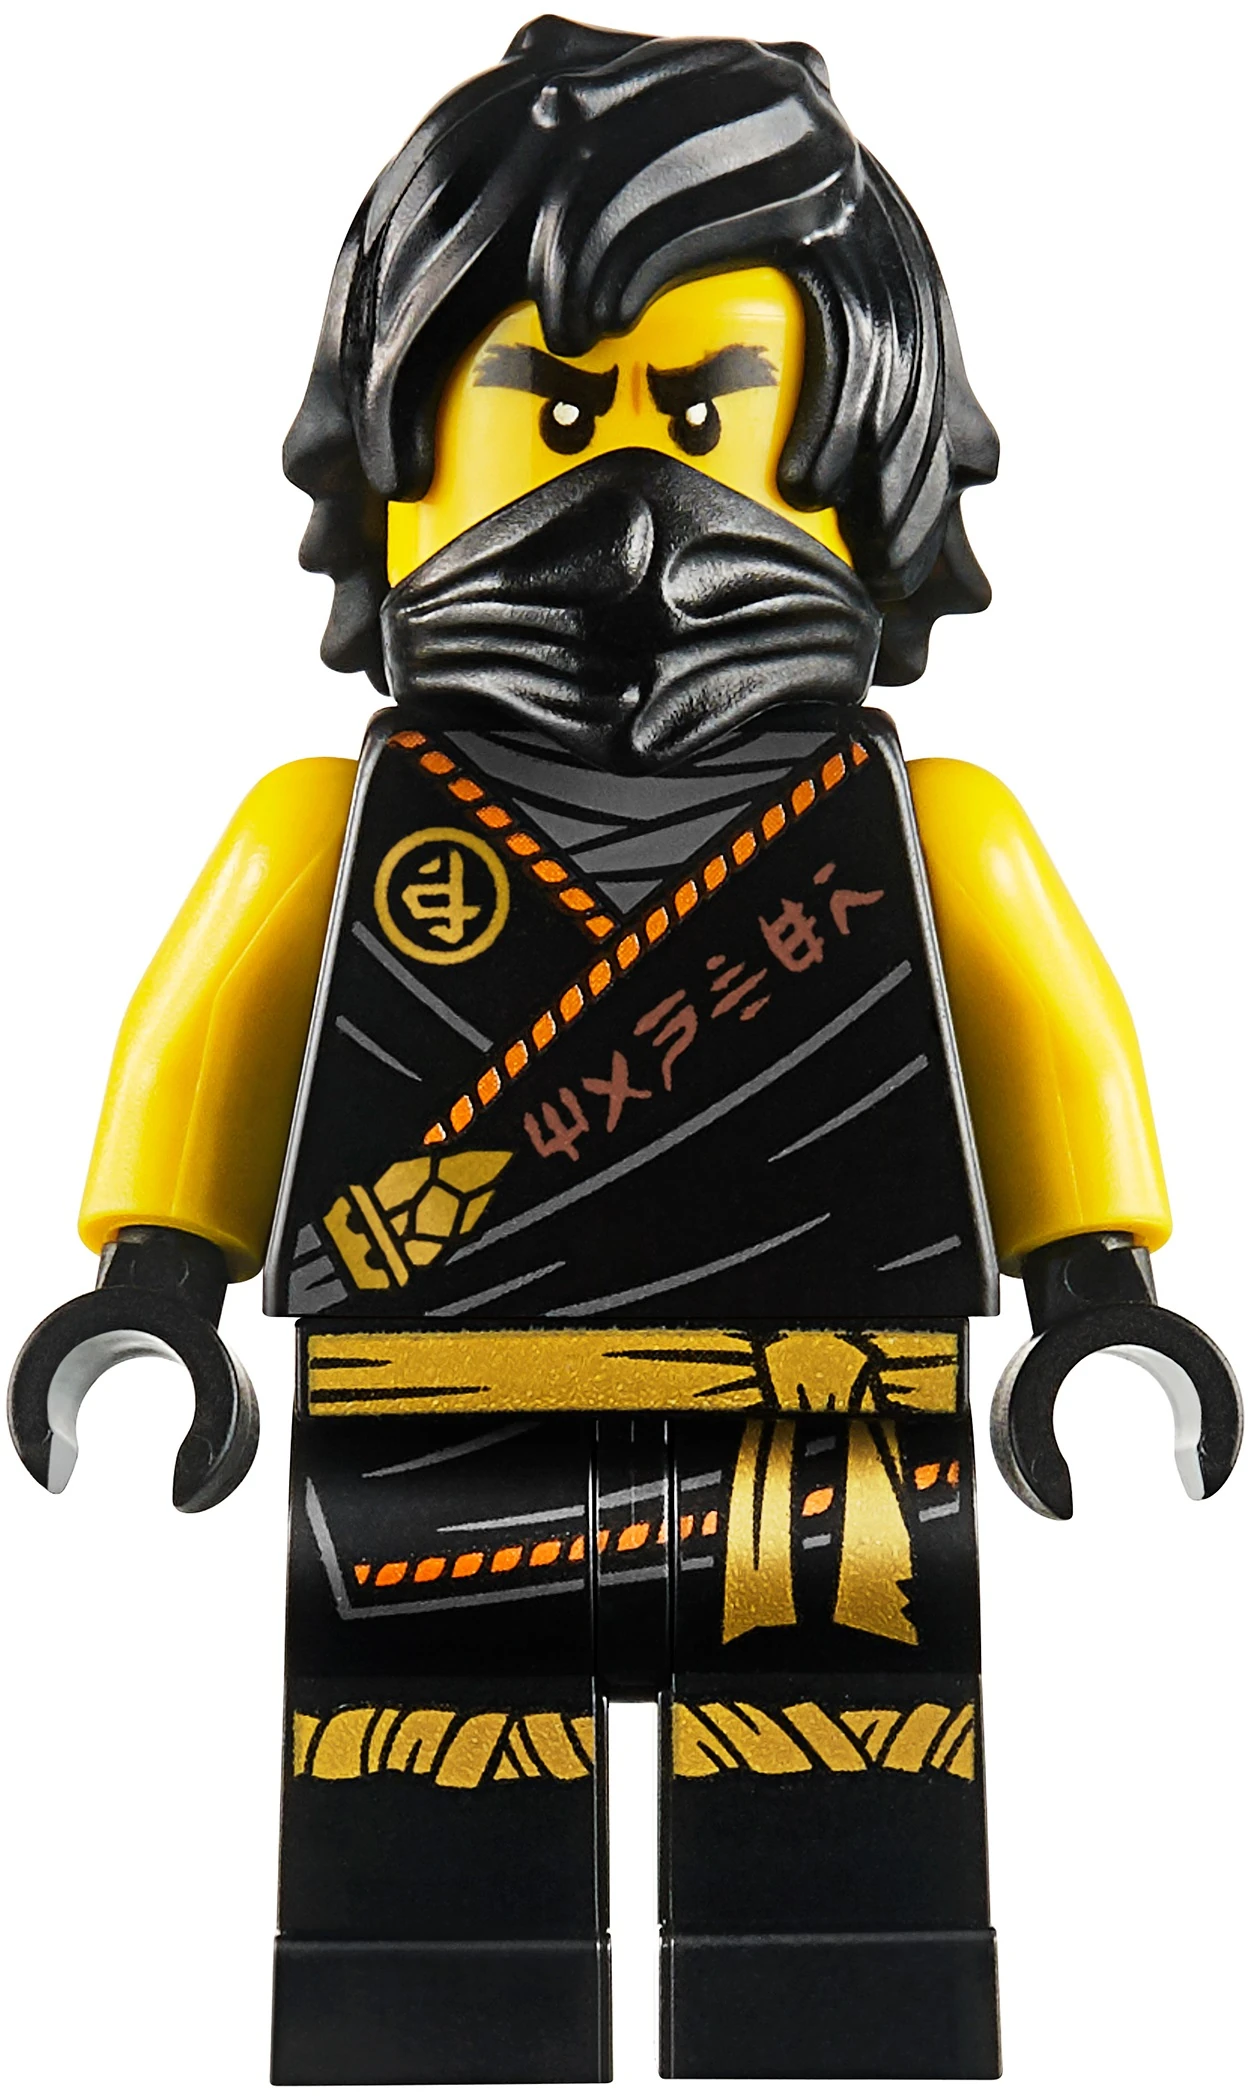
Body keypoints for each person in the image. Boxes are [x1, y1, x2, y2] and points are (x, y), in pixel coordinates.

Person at [9, 16, 1239, 2083]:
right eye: (557, 416)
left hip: (823, 1402)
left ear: (863, 463)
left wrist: (1097, 1296)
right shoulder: (331, 830)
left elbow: (1046, 1033)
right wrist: (152, 1284)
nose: (638, 512)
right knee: (428, 1851)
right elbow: (209, 1030)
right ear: (397, 463)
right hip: (435, 1400)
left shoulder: (929, 834)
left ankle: (833, 2011)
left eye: (705, 415)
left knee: (840, 1839)